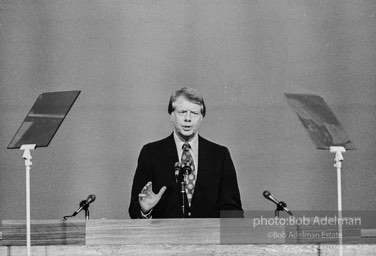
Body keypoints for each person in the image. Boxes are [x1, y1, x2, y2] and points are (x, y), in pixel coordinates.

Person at [128, 87, 243, 218]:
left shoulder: (219, 155)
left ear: (201, 117)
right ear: (172, 115)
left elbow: (233, 210)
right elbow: (134, 209)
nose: (188, 118)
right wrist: (145, 210)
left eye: (194, 113)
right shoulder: (151, 153)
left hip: (208, 237)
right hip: (164, 237)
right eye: (182, 112)